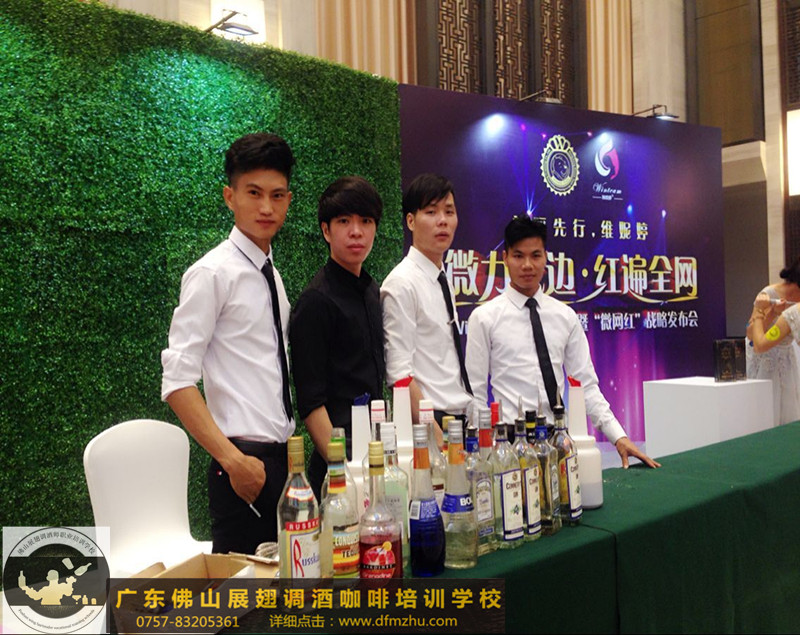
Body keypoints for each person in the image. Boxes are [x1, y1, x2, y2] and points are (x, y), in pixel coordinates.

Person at [161, 132, 296, 554]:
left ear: (288, 201)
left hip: (281, 462)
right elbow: (177, 381)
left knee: (290, 588)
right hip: (241, 464)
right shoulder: (211, 273)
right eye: (253, 193)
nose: (266, 207)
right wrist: (233, 461)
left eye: (277, 195)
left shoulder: (272, 275)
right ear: (229, 196)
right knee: (243, 593)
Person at [465, 215, 660, 468]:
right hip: (509, 445)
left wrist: (618, 436)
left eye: (535, 255)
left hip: (558, 441)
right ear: (505, 258)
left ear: (546, 258)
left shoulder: (565, 316)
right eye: (518, 256)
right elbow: (475, 394)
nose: (527, 265)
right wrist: (484, 453)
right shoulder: (484, 318)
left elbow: (585, 385)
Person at [289, 176, 385, 501]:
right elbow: (311, 403)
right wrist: (343, 471)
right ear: (326, 230)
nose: (356, 231)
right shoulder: (315, 301)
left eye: (366, 221)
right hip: (338, 470)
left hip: (374, 456)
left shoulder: (371, 291)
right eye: (344, 221)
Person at [381, 173, 472, 432]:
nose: (442, 221)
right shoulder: (402, 282)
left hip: (458, 420)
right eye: (431, 212)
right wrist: (433, 432)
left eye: (449, 212)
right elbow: (399, 373)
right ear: (411, 221)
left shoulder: (442, 279)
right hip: (429, 424)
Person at [745, 258, 800, 426]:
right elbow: (751, 334)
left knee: (788, 408)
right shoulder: (768, 294)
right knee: (765, 410)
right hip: (765, 357)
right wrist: (771, 313)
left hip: (786, 357)